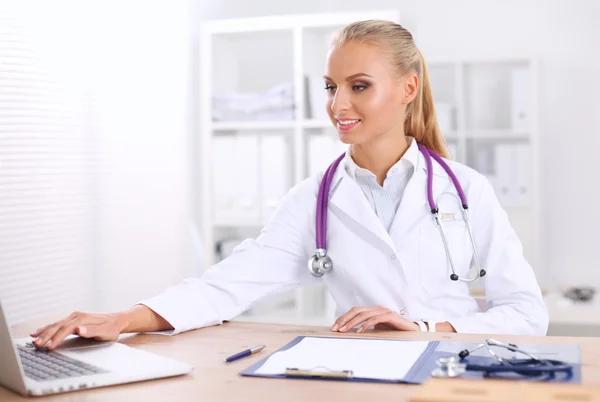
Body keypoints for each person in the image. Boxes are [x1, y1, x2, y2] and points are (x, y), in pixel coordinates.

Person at [30, 20, 548, 350]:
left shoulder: (466, 190)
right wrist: (124, 318)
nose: (337, 106)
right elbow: (225, 286)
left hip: (455, 374)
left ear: (408, 88)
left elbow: (527, 313)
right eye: (331, 87)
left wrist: (431, 330)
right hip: (362, 381)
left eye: (358, 87)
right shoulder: (314, 201)